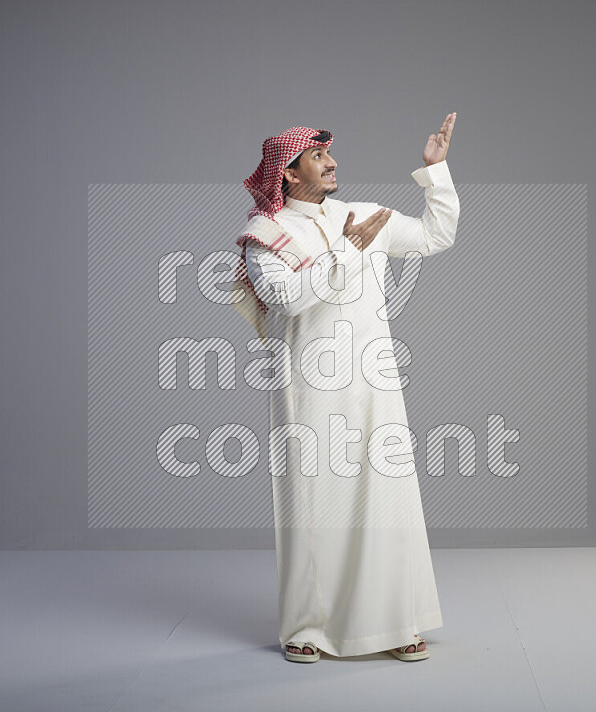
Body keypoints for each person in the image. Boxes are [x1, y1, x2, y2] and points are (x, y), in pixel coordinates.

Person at [231, 113, 459, 662]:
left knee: (386, 499)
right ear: (286, 173)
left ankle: (397, 621)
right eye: (318, 157)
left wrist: (437, 173)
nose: (332, 164)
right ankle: (307, 630)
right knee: (314, 506)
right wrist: (347, 252)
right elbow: (287, 299)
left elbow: (436, 236)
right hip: (309, 386)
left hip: (374, 378)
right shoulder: (265, 237)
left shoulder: (362, 214)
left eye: (331, 155)